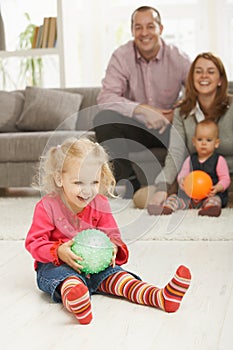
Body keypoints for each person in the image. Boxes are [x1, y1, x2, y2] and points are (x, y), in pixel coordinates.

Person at [25, 137, 191, 325]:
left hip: (96, 267)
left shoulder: (100, 204)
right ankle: (78, 303)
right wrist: (58, 251)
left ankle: (159, 297)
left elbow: (113, 234)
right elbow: (34, 242)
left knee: (120, 277)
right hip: (57, 265)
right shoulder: (47, 206)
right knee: (68, 281)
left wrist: (113, 246)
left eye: (94, 182)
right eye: (79, 182)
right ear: (59, 178)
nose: (87, 191)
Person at [93, 6, 191, 198]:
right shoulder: (121, 56)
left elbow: (196, 90)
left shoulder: (177, 57)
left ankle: (185, 188)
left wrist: (175, 112)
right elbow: (105, 98)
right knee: (103, 119)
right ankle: (131, 186)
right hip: (137, 128)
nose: (144, 33)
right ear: (132, 31)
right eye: (138, 27)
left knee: (193, 127)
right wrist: (141, 109)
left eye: (150, 26)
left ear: (160, 29)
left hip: (170, 128)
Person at [133, 52, 233, 210]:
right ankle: (198, 202)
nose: (203, 76)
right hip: (191, 181)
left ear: (220, 80)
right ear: (192, 79)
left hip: (227, 179)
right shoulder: (182, 112)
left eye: (211, 71)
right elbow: (176, 152)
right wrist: (162, 188)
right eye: (198, 71)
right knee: (141, 199)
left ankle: (218, 202)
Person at [147, 120, 231, 217]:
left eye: (208, 140)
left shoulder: (219, 160)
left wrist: (218, 187)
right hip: (189, 197)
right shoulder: (190, 159)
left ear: (216, 143)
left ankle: (211, 209)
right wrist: (182, 181)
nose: (203, 143)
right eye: (200, 140)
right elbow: (183, 174)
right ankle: (166, 208)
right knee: (174, 197)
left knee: (215, 200)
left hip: (209, 195)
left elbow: (225, 178)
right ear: (194, 142)